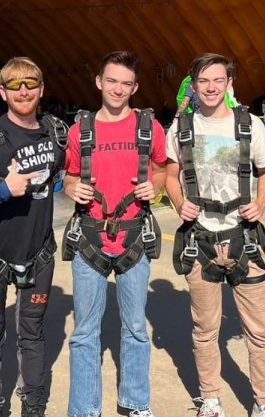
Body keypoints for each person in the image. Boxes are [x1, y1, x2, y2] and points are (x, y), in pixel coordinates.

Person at [165, 53, 265, 417]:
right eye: (203, 81)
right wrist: (178, 203)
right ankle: (211, 398)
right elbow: (170, 175)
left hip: (244, 236)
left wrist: (261, 202)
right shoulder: (181, 129)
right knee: (204, 329)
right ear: (193, 85)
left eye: (218, 80)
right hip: (200, 238)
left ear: (229, 83)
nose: (211, 87)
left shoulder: (249, 124)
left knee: (260, 330)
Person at [0, 57, 67, 417]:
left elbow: (64, 176)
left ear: (42, 89)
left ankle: (33, 408)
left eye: (31, 83)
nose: (24, 91)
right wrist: (3, 190)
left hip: (39, 253)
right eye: (15, 85)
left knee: (33, 336)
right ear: (2, 91)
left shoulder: (56, 132)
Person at [62, 51, 167, 417]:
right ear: (98, 82)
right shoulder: (81, 130)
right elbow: (70, 175)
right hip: (89, 237)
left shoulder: (149, 127)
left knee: (136, 327)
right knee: (84, 331)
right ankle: (84, 409)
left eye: (126, 83)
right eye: (112, 81)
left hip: (133, 238)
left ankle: (136, 402)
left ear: (135, 87)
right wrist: (71, 188)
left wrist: (156, 186)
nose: (118, 89)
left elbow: (162, 168)